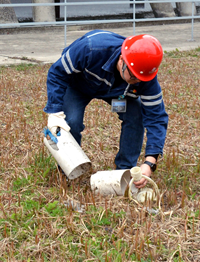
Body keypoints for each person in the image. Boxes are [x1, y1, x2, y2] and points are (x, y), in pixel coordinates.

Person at [44, 31, 167, 187]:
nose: (137, 81)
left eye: (141, 79)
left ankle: (124, 171)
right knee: (71, 122)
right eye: (133, 77)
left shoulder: (144, 77)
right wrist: (54, 112)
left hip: (117, 93)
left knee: (136, 115)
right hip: (78, 85)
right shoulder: (90, 49)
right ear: (122, 60)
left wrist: (150, 162)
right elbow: (57, 73)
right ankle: (68, 170)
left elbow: (156, 118)